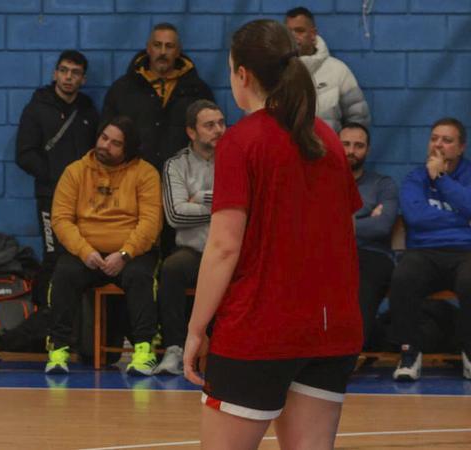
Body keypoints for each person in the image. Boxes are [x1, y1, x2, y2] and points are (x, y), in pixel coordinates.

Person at [183, 19, 363, 449]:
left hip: (258, 331)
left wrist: (195, 329)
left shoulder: (241, 142)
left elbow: (224, 246)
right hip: (330, 329)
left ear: (242, 74)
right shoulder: (328, 141)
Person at [43, 116, 162, 376]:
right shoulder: (75, 171)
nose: (106, 145)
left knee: (140, 276)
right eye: (104, 138)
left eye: (115, 143)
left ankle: (144, 350)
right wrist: (85, 251)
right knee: (64, 274)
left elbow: (151, 223)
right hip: (87, 253)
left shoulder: (146, 173)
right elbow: (61, 219)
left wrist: (125, 254)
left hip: (129, 254)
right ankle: (58, 349)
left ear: (127, 149)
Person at [14, 49, 100, 314]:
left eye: (75, 73)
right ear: (55, 74)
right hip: (50, 197)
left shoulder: (88, 110)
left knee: (81, 255)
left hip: (85, 199)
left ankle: (71, 323)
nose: (68, 77)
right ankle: (43, 318)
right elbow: (24, 154)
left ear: (83, 79)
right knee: (53, 255)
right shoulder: (36, 108)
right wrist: (57, 178)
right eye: (63, 71)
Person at [389, 117, 471, 382]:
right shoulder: (415, 178)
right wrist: (463, 218)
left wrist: (442, 179)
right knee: (403, 278)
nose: (439, 145)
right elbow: (415, 217)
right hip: (424, 251)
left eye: (447, 140)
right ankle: (410, 354)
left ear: (461, 148)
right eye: (434, 138)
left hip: (465, 252)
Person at [155, 99, 225, 375]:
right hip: (193, 251)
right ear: (191, 132)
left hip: (229, 249)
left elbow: (250, 206)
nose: (218, 130)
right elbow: (175, 214)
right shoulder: (176, 165)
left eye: (221, 123)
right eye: (209, 125)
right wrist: (222, 206)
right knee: (171, 269)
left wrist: (200, 199)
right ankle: (174, 349)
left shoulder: (238, 159)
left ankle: (228, 352)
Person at [101, 23, 214, 171]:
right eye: (157, 45)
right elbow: (105, 136)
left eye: (169, 46)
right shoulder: (122, 89)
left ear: (178, 52)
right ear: (148, 49)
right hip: (132, 177)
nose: (162, 52)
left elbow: (212, 137)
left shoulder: (198, 91)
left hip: (184, 179)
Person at [341, 123, 397, 352]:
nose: (351, 150)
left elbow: (382, 227)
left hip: (372, 255)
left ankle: (350, 351)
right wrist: (366, 219)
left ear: (368, 150)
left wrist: (339, 224)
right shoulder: (320, 182)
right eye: (345, 144)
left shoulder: (382, 184)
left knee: (363, 284)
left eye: (358, 145)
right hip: (332, 255)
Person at [285, 7, 370, 131]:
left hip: (328, 150)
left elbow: (358, 118)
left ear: (313, 34)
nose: (293, 37)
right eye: (288, 32)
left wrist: (343, 148)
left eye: (299, 31)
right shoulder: (274, 72)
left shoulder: (338, 71)